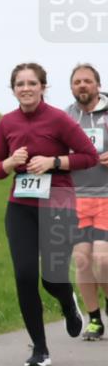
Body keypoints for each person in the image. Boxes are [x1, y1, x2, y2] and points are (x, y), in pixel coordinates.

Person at [0, 63, 99, 366]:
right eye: (19, 84)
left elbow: (88, 157)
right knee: (24, 277)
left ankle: (68, 304)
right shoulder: (6, 123)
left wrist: (53, 161)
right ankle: (40, 348)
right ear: (13, 89)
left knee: (51, 279)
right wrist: (11, 162)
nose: (26, 88)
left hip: (58, 206)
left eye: (32, 83)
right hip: (21, 207)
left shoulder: (59, 120)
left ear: (43, 87)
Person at [65, 63, 108, 341]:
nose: (82, 85)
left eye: (87, 81)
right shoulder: (65, 117)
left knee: (102, 261)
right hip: (76, 198)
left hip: (106, 197)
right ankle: (94, 319)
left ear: (98, 85)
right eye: (77, 81)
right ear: (72, 87)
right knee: (82, 260)